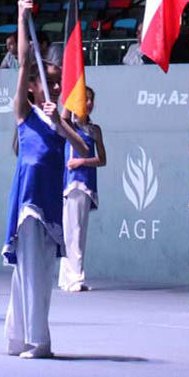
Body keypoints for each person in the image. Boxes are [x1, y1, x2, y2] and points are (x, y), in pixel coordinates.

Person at [4, 0, 88, 357]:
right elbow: (23, 61)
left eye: (58, 84)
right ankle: (22, 338)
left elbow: (83, 151)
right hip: (27, 200)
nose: (55, 89)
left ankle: (39, 341)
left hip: (50, 201)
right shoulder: (23, 112)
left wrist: (59, 122)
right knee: (26, 272)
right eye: (49, 83)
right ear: (32, 87)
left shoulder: (59, 118)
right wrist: (23, 16)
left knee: (41, 274)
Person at [59, 87, 106, 293]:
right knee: (72, 231)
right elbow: (61, 118)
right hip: (71, 183)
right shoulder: (69, 126)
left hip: (86, 184)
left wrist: (82, 161)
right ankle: (73, 278)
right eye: (85, 99)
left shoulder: (95, 130)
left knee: (79, 232)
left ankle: (69, 277)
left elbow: (102, 160)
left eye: (91, 100)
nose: (89, 103)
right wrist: (70, 96)